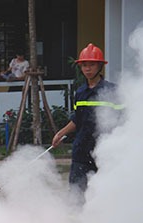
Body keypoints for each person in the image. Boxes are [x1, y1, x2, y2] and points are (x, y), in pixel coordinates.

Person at [52, 43, 122, 197]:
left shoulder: (112, 91)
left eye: (92, 65)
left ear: (100, 66)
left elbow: (122, 122)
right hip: (81, 152)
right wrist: (60, 134)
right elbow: (77, 119)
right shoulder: (80, 92)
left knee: (104, 195)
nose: (87, 69)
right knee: (76, 195)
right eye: (84, 65)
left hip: (104, 153)